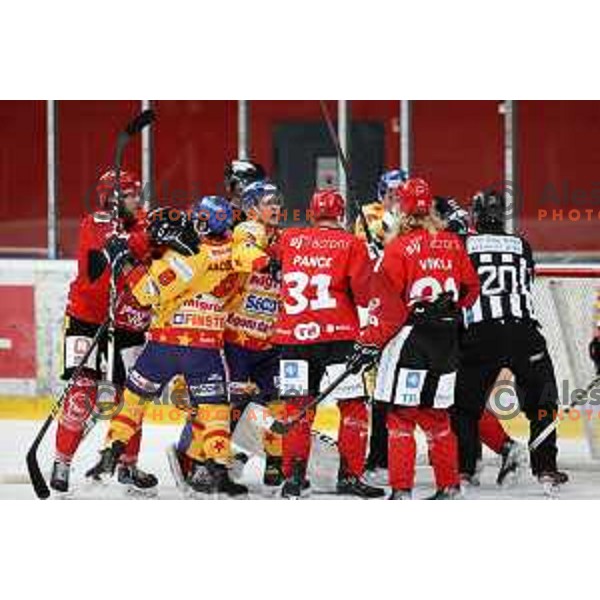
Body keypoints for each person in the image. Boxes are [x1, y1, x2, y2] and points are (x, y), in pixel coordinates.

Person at [86, 196, 248, 498]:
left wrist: (126, 261)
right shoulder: (239, 253)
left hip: (164, 344)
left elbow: (146, 293)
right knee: (214, 411)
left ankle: (109, 453)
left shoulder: (187, 256)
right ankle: (217, 470)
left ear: (203, 221)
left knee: (133, 402)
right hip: (205, 347)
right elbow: (237, 300)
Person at [354, 177, 480, 499]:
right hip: (447, 341)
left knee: (400, 417)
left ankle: (401, 490)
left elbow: (388, 309)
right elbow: (470, 290)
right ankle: (449, 486)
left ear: (402, 209)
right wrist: (447, 315)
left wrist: (369, 341)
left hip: (411, 342)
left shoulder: (397, 248)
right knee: (438, 417)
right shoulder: (453, 242)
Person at [452, 190, 568, 495]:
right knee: (544, 403)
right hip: (523, 333)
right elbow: (525, 281)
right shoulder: (522, 244)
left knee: (464, 408)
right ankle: (546, 469)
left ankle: (464, 471)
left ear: (475, 215)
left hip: (479, 335)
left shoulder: (462, 242)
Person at [50, 168, 157, 495]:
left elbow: (142, 250)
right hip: (87, 317)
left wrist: (139, 238)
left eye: (137, 193)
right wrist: (129, 240)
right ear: (111, 199)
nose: (136, 200)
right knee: (83, 393)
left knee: (133, 396)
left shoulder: (142, 223)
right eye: (128, 194)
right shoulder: (94, 223)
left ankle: (128, 464)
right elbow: (102, 260)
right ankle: (62, 461)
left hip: (129, 321)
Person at [272, 189, 384, 499]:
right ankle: (350, 476)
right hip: (338, 338)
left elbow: (273, 259)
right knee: (353, 409)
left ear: (311, 212)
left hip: (294, 338)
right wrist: (372, 261)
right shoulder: (353, 244)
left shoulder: (289, 238)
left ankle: (293, 478)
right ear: (341, 214)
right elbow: (364, 295)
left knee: (296, 409)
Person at [434, 195, 528, 486]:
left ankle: (497, 450)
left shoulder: (456, 236)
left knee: (458, 402)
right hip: (472, 331)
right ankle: (473, 460)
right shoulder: (462, 234)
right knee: (461, 401)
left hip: (465, 333)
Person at [224, 180, 285, 492]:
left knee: (275, 405)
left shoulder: (284, 238)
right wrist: (267, 260)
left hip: (270, 343)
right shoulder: (248, 229)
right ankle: (216, 461)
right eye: (268, 202)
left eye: (278, 201)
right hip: (238, 340)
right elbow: (245, 249)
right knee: (231, 404)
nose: (275, 207)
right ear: (250, 209)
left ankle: (275, 462)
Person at [353, 169, 408, 481]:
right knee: (377, 387)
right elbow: (366, 238)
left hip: (408, 311)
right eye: (391, 193)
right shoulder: (370, 216)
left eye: (401, 193)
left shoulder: (414, 219)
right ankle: (377, 455)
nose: (395, 199)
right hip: (376, 310)